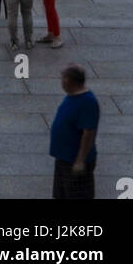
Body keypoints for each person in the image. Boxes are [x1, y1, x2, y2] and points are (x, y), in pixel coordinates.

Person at [49, 66, 100, 200]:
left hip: (74, 160)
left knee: (77, 195)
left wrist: (80, 160)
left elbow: (88, 133)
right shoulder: (71, 96)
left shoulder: (88, 102)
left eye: (63, 78)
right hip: (63, 158)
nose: (61, 82)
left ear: (70, 81)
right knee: (62, 194)